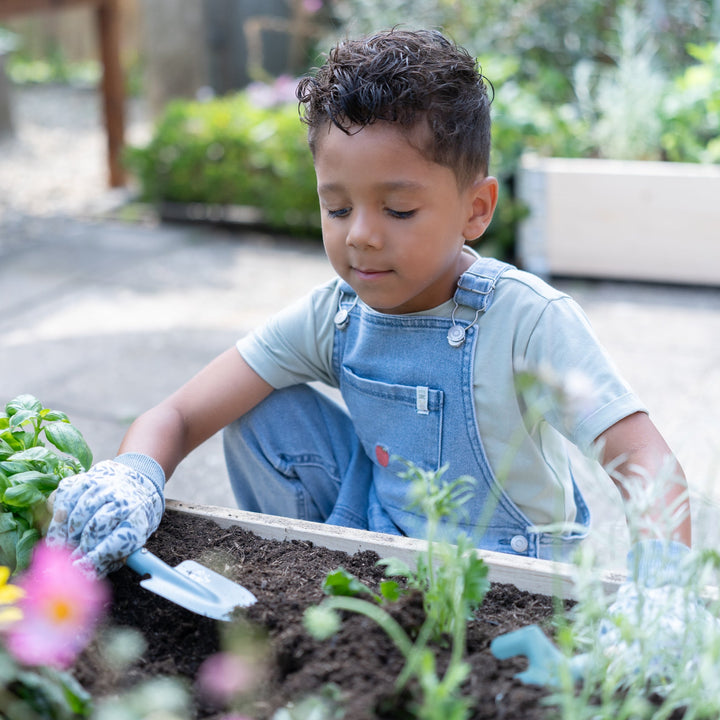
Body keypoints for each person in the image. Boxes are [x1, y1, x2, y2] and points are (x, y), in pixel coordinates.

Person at [47, 28, 691, 578]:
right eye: (337, 207)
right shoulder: (337, 313)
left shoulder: (526, 321)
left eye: (399, 208)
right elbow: (183, 413)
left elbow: (643, 459)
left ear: (476, 209)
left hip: (515, 576)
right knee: (260, 406)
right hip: (377, 549)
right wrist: (132, 476)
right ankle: (309, 582)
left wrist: (662, 589)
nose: (361, 234)